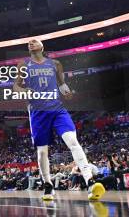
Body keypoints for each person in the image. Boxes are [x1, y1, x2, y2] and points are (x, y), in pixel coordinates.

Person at [14, 39, 106, 201]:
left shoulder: (55, 64)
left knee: (72, 140)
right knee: (42, 151)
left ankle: (90, 182)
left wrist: (67, 92)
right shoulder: (23, 65)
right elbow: (16, 86)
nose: (31, 43)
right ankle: (48, 184)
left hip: (57, 109)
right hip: (38, 112)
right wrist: (23, 90)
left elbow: (62, 84)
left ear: (42, 47)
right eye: (29, 42)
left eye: (34, 41)